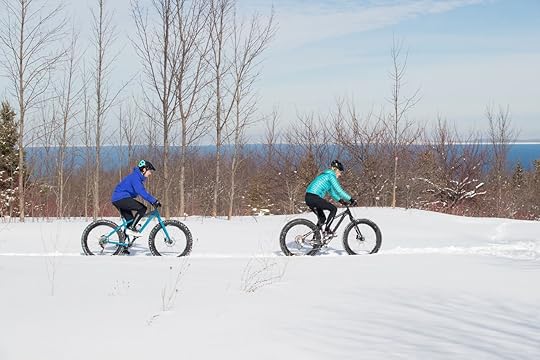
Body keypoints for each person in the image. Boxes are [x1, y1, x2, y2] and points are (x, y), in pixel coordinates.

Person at [111, 160, 161, 241]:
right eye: (149, 171)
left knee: (130, 221)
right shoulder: (135, 177)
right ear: (144, 169)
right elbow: (141, 191)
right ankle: (132, 228)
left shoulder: (137, 177)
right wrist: (154, 200)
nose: (150, 173)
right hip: (120, 198)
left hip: (119, 198)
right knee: (142, 208)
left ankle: (123, 247)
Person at [305, 160, 356, 238]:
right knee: (333, 209)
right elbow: (339, 190)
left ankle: (315, 240)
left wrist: (341, 201)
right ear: (335, 169)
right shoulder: (331, 176)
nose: (340, 174)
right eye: (340, 172)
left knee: (322, 219)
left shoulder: (326, 175)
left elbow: (332, 193)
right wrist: (351, 199)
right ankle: (327, 230)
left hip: (309, 197)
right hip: (314, 197)